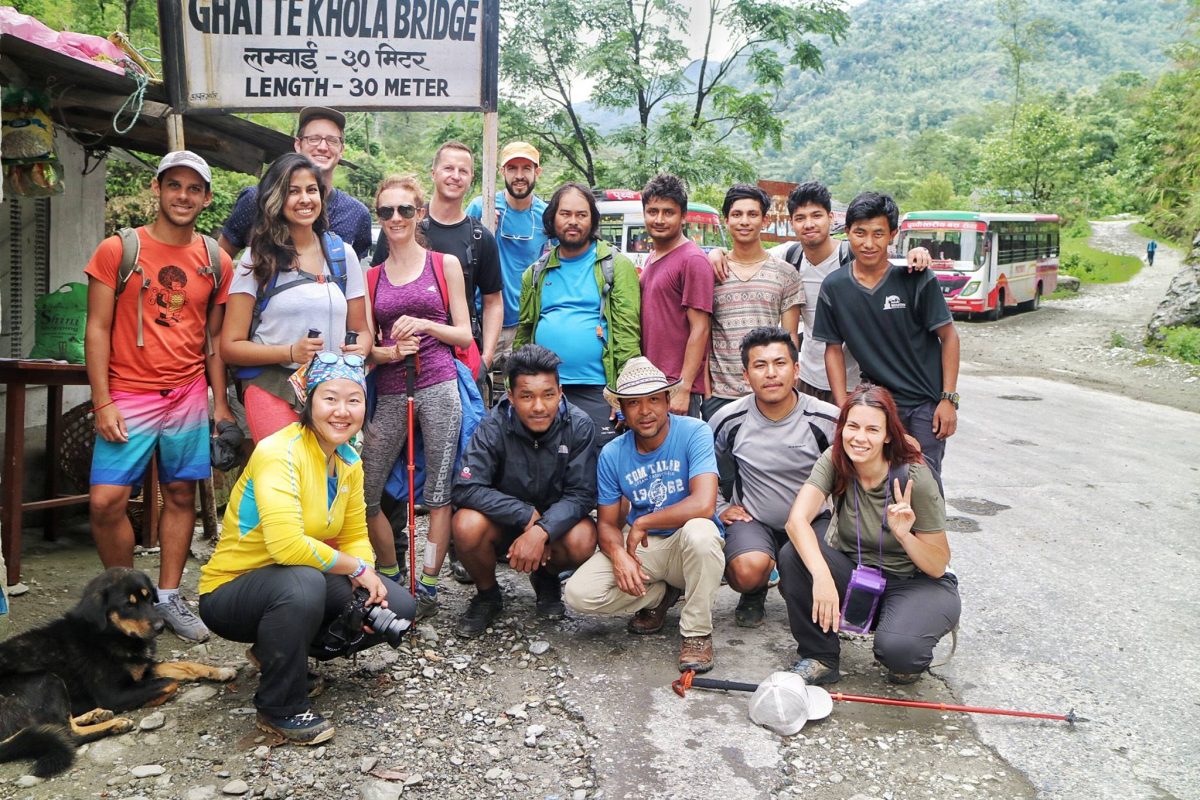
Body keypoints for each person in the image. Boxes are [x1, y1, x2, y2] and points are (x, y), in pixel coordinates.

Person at [198, 356, 415, 744]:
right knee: (302, 583)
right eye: (330, 398)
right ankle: (280, 705)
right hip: (232, 590)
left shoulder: (348, 460)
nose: (342, 411)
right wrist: (356, 569)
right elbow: (285, 546)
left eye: (354, 400)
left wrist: (364, 576)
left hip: (294, 583)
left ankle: (278, 654)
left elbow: (352, 533)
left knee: (397, 604)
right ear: (308, 402)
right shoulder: (278, 452)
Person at [84, 150, 235, 642]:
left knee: (179, 493)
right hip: (128, 391)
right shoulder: (118, 250)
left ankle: (168, 598)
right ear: (157, 188)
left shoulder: (216, 260)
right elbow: (98, 327)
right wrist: (102, 400)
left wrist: (219, 404)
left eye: (194, 188)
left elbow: (213, 340)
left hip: (187, 390)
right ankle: (124, 595)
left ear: (207, 197)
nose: (183, 196)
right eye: (175, 185)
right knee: (107, 501)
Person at [777, 384, 959, 686]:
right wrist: (821, 577)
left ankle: (913, 629)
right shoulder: (836, 459)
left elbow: (938, 563)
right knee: (794, 553)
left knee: (900, 653)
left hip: (914, 582)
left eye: (872, 429)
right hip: (859, 571)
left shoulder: (913, 476)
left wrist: (905, 535)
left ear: (888, 434)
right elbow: (796, 520)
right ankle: (820, 656)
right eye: (853, 426)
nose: (860, 438)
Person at [563, 358, 724, 673]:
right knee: (578, 594)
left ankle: (696, 633)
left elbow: (704, 503)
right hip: (645, 549)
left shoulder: (695, 431)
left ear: (667, 400)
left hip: (685, 546)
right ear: (621, 407)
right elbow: (607, 524)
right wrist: (619, 555)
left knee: (701, 533)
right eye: (634, 403)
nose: (645, 410)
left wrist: (643, 522)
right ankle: (659, 596)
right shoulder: (613, 453)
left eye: (653, 399)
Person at [360, 175, 472, 620]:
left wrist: (423, 325)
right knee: (366, 491)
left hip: (440, 383)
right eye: (386, 211)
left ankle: (427, 585)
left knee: (439, 490)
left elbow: (464, 333)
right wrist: (390, 351)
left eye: (405, 210)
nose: (395, 219)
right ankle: (389, 576)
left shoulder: (443, 265)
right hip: (389, 390)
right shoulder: (371, 277)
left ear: (420, 213)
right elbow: (367, 344)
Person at [709, 181, 931, 403]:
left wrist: (918, 252)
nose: (809, 224)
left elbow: (886, 260)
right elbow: (748, 254)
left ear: (831, 217)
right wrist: (716, 253)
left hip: (857, 381)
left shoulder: (853, 256)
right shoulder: (790, 255)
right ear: (792, 223)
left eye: (816, 216)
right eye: (800, 218)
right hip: (807, 378)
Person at [451, 345, 599, 637]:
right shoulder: (493, 424)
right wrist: (524, 515)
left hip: (555, 528)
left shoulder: (579, 425)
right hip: (503, 524)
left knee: (584, 538)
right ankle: (488, 594)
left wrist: (542, 529)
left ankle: (546, 578)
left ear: (560, 392)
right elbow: (466, 487)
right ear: (511, 397)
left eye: (548, 395)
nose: (539, 407)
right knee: (465, 524)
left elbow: (582, 494)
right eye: (527, 396)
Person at [813, 191, 959, 480]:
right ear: (848, 233)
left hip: (924, 404)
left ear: (893, 234)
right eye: (860, 233)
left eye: (878, 233)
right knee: (875, 481)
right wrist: (844, 404)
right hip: (876, 403)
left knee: (923, 482)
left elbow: (949, 337)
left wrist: (948, 399)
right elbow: (832, 348)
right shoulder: (835, 287)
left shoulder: (916, 277)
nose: (868, 243)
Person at [708, 327, 837, 628]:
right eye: (760, 365)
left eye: (780, 363)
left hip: (813, 520)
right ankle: (755, 591)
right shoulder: (728, 419)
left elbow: (859, 465)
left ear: (796, 369)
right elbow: (700, 465)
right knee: (746, 570)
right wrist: (718, 506)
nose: (771, 373)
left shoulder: (827, 418)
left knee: (820, 568)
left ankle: (798, 586)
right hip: (755, 520)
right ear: (745, 375)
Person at [219, 154, 370, 407]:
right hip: (272, 389)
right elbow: (230, 346)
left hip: (330, 392)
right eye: (293, 191)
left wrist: (360, 350)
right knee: (285, 450)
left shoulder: (343, 255)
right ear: (276, 198)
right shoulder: (257, 257)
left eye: (312, 190)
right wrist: (290, 352)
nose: (305, 199)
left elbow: (361, 330)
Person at [513, 182, 641, 447]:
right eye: (565, 214)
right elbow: (524, 334)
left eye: (581, 215)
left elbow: (628, 337)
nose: (573, 221)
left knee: (597, 468)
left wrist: (624, 396)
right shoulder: (535, 273)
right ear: (552, 218)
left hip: (598, 392)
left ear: (592, 219)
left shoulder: (616, 266)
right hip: (544, 392)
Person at [371, 142, 504, 379]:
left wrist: (486, 358)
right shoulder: (399, 225)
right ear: (433, 173)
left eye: (463, 171)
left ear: (471, 177)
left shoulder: (480, 237)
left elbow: (493, 301)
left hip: (460, 358)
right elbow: (377, 290)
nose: (455, 176)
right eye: (448, 168)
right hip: (402, 360)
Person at [219, 107, 372, 261]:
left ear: (341, 150)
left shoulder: (357, 213)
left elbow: (354, 275)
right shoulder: (257, 198)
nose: (323, 147)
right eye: (314, 138)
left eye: (332, 140)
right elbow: (220, 262)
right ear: (298, 144)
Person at [704, 184, 803, 421]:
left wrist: (787, 386)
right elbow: (702, 333)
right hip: (720, 394)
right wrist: (706, 391)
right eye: (737, 215)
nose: (744, 221)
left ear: (765, 220)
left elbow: (790, 337)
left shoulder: (786, 273)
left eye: (753, 214)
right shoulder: (711, 271)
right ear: (726, 220)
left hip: (770, 393)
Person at [638, 174, 713, 418]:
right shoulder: (652, 257)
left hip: (675, 388)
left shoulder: (692, 260)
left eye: (668, 212)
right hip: (650, 382)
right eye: (652, 211)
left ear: (683, 216)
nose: (659, 219)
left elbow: (700, 328)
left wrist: (684, 386)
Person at [466, 141, 549, 358]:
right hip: (482, 319)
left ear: (537, 172)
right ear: (502, 171)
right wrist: (482, 232)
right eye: (512, 168)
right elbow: (458, 256)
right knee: (480, 387)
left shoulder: (546, 215)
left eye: (526, 168)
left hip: (524, 323)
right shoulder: (481, 206)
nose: (519, 175)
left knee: (521, 389)